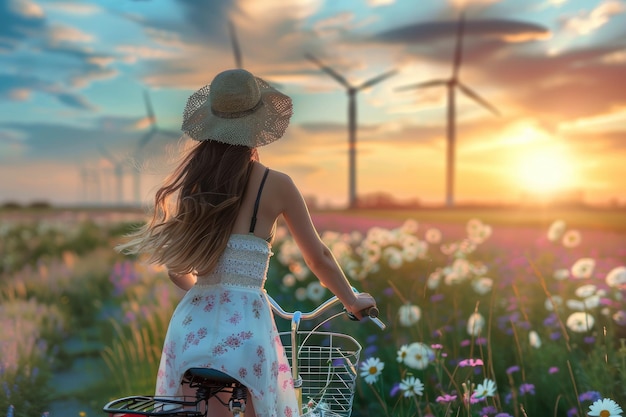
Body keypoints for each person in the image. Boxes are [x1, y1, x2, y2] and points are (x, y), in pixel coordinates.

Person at [116, 68, 377, 417]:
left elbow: (177, 271)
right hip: (247, 331)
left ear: (210, 123)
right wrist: (352, 300)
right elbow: (319, 258)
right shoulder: (277, 184)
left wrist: (208, 290)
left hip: (190, 330)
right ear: (257, 124)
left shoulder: (195, 183)